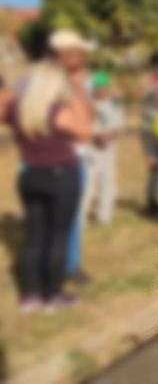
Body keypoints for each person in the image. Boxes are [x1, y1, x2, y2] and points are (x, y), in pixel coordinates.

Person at [2, 60, 92, 311]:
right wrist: (77, 93)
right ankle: (53, 296)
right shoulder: (60, 110)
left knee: (34, 237)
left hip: (30, 176)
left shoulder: (20, 109)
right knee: (58, 236)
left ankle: (29, 296)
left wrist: (14, 91)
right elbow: (85, 132)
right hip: (61, 175)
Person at [50, 30, 95, 285]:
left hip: (78, 156)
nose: (79, 57)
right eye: (74, 52)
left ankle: (71, 265)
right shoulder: (51, 85)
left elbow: (88, 115)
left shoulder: (79, 83)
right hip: (57, 158)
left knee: (75, 213)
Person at [84, 71, 124, 224]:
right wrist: (95, 136)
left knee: (108, 182)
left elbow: (118, 126)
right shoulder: (87, 105)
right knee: (87, 183)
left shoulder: (114, 104)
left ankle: (103, 216)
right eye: (98, 87)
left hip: (109, 150)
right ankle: (81, 217)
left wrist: (109, 136)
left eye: (103, 87)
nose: (101, 90)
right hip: (91, 149)